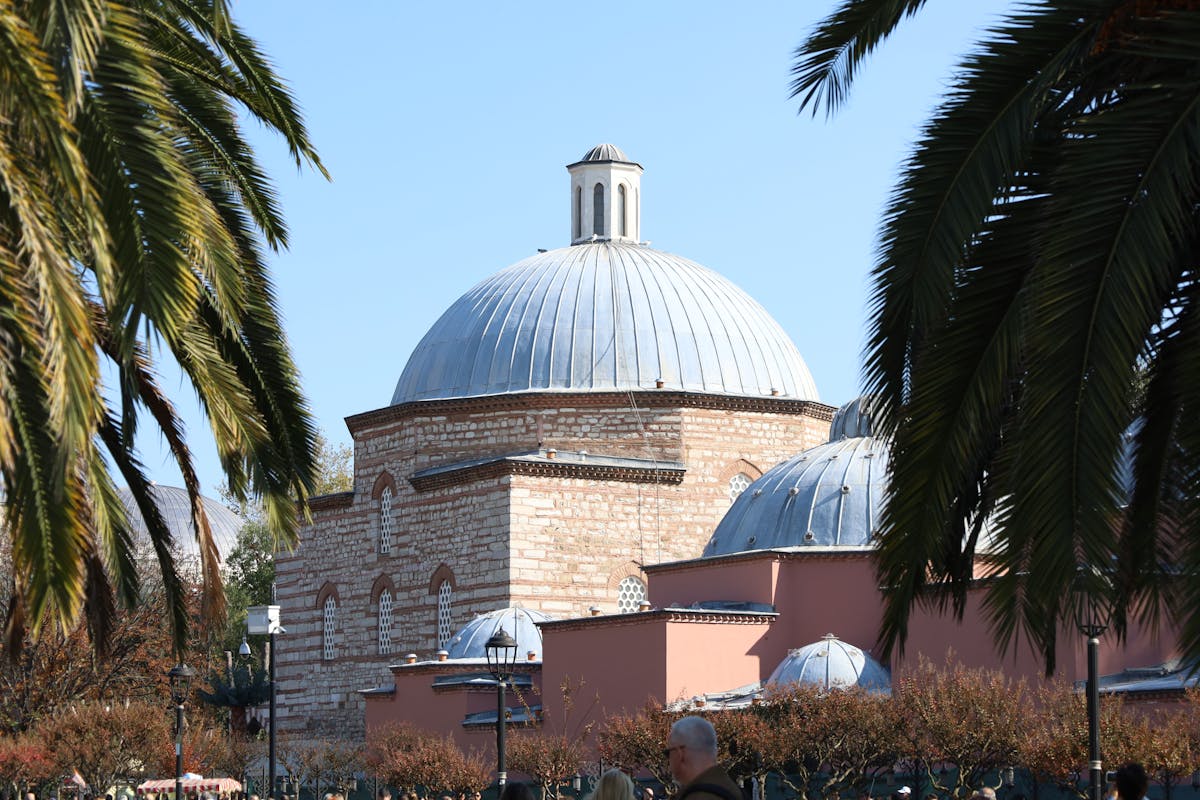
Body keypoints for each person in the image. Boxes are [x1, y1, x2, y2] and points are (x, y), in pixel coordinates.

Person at [665, 716, 743, 800]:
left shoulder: (699, 796)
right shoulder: (728, 787)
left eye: (668, 753)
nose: (668, 761)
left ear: (680, 754)